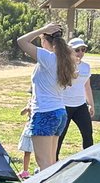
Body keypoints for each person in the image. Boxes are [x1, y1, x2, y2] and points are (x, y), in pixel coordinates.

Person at [15, 23, 77, 170]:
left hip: (45, 113)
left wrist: (42, 30)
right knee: (51, 163)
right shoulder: (64, 60)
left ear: (44, 41)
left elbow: (21, 41)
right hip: (59, 113)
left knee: (43, 164)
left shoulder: (48, 58)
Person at [57, 37, 95, 153]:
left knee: (88, 133)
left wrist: (91, 104)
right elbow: (59, 83)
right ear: (69, 50)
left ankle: (89, 159)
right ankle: (53, 160)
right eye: (77, 50)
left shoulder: (86, 67)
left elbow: (86, 86)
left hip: (80, 105)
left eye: (83, 49)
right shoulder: (62, 65)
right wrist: (70, 73)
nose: (80, 53)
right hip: (65, 105)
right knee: (60, 136)